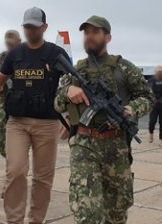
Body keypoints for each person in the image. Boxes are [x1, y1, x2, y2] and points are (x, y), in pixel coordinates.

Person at [54, 15, 153, 223]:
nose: (89, 36)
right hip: (84, 144)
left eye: (95, 32)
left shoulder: (124, 68)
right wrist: (68, 91)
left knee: (117, 212)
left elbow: (148, 97)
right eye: (86, 32)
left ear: (107, 37)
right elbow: (57, 103)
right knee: (87, 213)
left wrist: (131, 109)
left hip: (117, 145)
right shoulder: (76, 70)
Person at [0, 7, 70, 223]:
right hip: (18, 123)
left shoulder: (56, 54)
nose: (30, 30)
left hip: (47, 124)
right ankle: (14, 220)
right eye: (27, 26)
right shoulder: (15, 54)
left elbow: (72, 84)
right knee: (15, 171)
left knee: (43, 178)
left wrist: (71, 118)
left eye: (34, 27)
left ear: (44, 27)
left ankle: (36, 220)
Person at [0, 30, 22, 158]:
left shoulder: (27, 56)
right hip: (4, 100)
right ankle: (8, 157)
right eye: (8, 44)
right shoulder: (0, 59)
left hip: (23, 102)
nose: (10, 46)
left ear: (19, 41)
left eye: (13, 44)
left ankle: (17, 158)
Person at [148, 65, 162, 143]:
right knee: (152, 121)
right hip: (154, 105)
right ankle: (151, 134)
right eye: (158, 71)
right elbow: (149, 91)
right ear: (155, 72)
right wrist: (154, 99)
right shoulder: (151, 80)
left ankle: (161, 139)